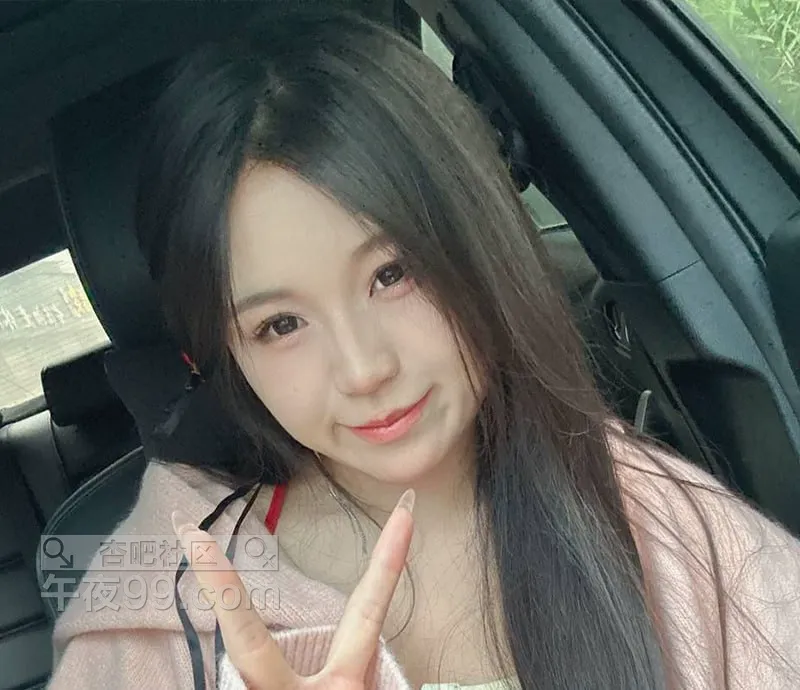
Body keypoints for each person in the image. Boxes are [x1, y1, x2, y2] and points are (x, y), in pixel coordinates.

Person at [47, 10, 800, 690]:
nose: (365, 369)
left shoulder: (666, 528)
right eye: (280, 324)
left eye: (393, 273)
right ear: (223, 357)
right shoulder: (158, 606)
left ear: (479, 242)